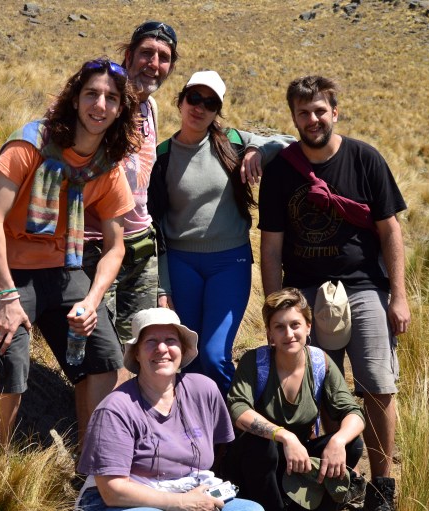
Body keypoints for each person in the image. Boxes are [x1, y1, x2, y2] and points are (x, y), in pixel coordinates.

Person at [0, 21, 180, 354]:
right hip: (90, 243)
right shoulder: (93, 98)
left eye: (163, 57)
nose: (153, 64)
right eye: (146, 53)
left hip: (139, 242)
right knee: (95, 343)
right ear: (129, 55)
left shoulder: (151, 109)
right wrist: (4, 159)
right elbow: (47, 145)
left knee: (138, 343)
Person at [0, 58, 141, 446]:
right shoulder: (30, 144)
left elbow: (115, 247)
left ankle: (91, 463)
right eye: (91, 94)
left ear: (120, 110)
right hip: (6, 266)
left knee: (105, 358)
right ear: (75, 99)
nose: (100, 105)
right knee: (10, 353)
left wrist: (92, 302)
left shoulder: (108, 167)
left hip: (62, 266)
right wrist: (7, 296)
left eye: (111, 98)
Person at [257, 75, 410, 511]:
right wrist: (275, 308)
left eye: (320, 110)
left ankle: (382, 487)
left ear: (335, 112)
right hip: (305, 292)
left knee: (378, 385)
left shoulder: (364, 158)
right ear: (293, 118)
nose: (313, 119)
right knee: (324, 386)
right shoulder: (281, 170)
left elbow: (390, 230)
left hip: (364, 287)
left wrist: (398, 295)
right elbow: (271, 246)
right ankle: (338, 475)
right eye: (303, 112)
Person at [147, 70, 294, 394]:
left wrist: (257, 150)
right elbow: (156, 227)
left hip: (230, 263)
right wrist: (163, 286)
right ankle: (202, 423)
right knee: (188, 358)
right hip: (181, 264)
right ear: (180, 101)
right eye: (194, 98)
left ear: (217, 111)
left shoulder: (233, 142)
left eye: (210, 103)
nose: (200, 107)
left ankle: (241, 415)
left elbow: (289, 143)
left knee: (214, 356)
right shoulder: (162, 156)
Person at [76, 308, 264, 511]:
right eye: (151, 341)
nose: (162, 348)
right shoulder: (115, 409)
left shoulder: (203, 390)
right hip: (126, 499)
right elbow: (112, 491)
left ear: (182, 349)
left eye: (170, 340)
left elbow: (220, 450)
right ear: (136, 353)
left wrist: (195, 498)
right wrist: (181, 503)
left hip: (190, 488)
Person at [224, 289, 365, 511]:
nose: (288, 334)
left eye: (295, 325)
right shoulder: (255, 362)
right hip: (255, 465)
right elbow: (237, 409)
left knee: (352, 444)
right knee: (261, 445)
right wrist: (285, 437)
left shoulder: (319, 363)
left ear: (308, 326)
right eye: (279, 327)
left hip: (299, 460)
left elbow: (353, 412)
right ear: (270, 333)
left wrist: (338, 441)